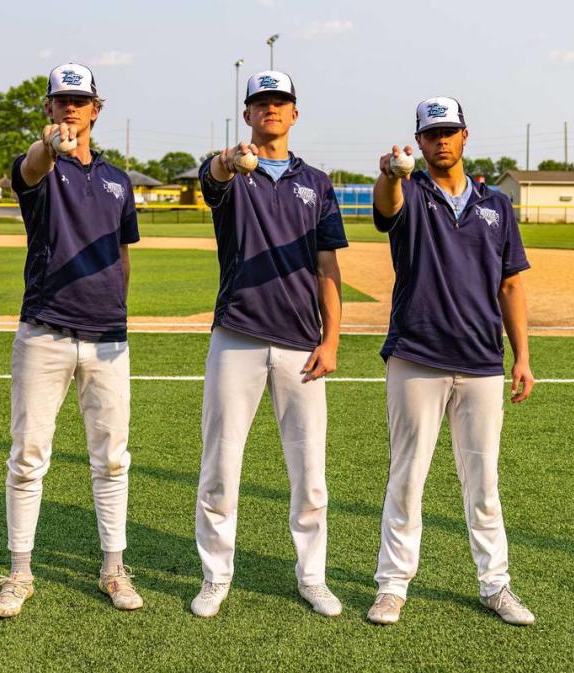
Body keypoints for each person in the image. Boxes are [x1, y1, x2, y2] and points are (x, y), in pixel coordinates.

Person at [367, 96, 535, 626]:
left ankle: (495, 584)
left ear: (465, 135)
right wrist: (390, 175)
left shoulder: (497, 206)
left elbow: (510, 284)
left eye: (449, 131)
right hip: (417, 356)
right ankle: (392, 586)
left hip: (483, 360)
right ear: (418, 141)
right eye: (430, 133)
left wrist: (522, 356)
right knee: (407, 477)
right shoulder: (409, 193)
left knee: (483, 482)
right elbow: (386, 205)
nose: (441, 140)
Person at [191, 71, 347, 618]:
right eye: (261, 103)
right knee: (220, 465)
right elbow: (211, 178)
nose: (271, 110)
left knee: (309, 472)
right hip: (237, 334)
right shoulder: (233, 168)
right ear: (249, 113)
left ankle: (312, 576)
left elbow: (328, 265)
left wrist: (331, 340)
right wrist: (227, 163)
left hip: (302, 344)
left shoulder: (318, 183)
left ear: (294, 113)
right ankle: (216, 575)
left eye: (280, 103)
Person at [0, 63, 143, 618]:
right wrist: (48, 147)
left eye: (82, 100)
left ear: (96, 108)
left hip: (107, 338)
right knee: (28, 458)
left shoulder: (117, 180)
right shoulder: (38, 163)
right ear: (49, 108)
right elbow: (28, 168)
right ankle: (20, 572)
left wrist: (116, 308)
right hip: (44, 332)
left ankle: (113, 568)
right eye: (63, 100)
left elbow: (124, 255)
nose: (72, 109)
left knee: (112, 460)